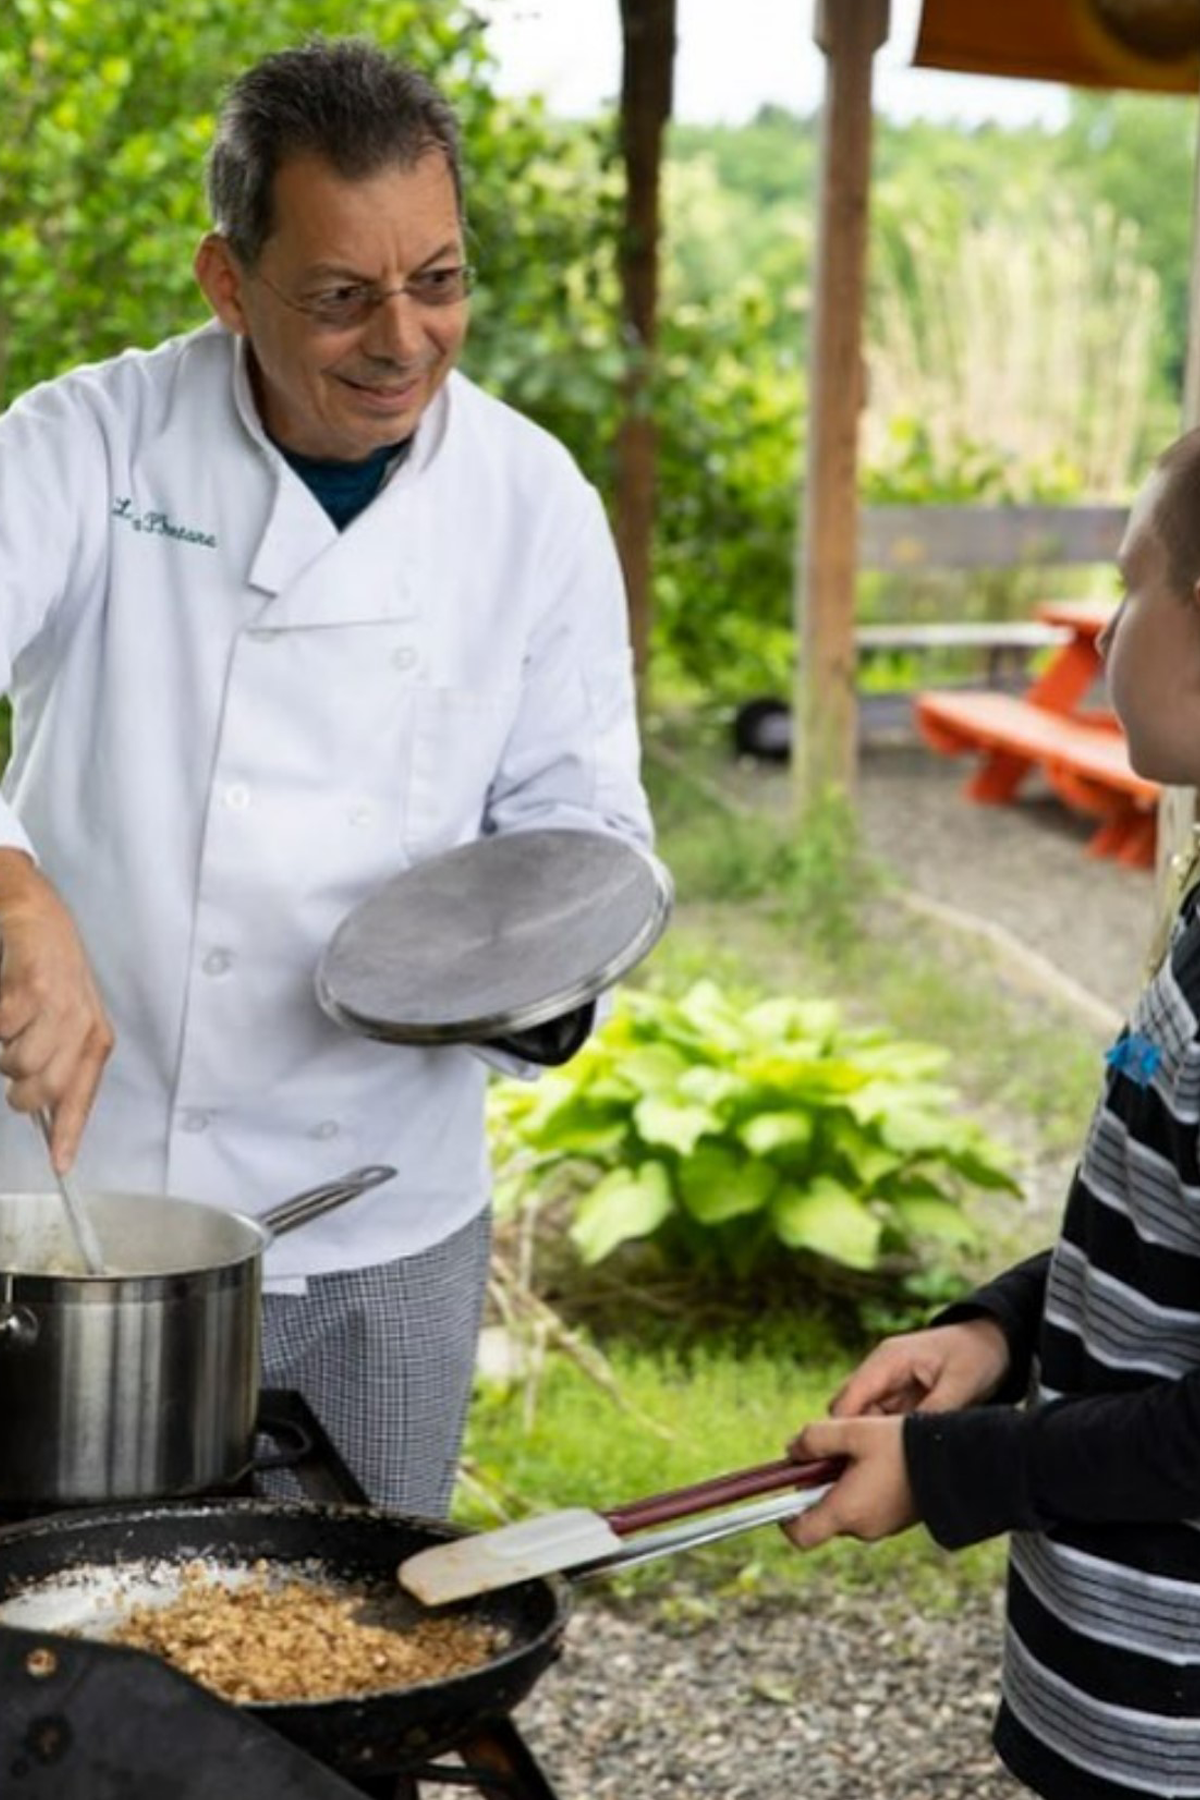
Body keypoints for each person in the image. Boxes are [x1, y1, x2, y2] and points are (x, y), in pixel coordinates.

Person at [0, 37, 651, 1513]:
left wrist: (528, 975)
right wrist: (14, 882)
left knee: (346, 1654)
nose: (406, 338)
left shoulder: (532, 500)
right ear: (227, 282)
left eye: (441, 280)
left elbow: (583, 826)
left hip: (381, 1210)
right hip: (87, 1212)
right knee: (63, 1655)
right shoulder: (89, 445)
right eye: (343, 297)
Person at [782, 425, 1200, 1800]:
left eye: (1134, 587)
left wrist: (950, 1470)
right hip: (1111, 1687)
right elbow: (1157, 1237)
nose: (1110, 631)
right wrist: (996, 1330)